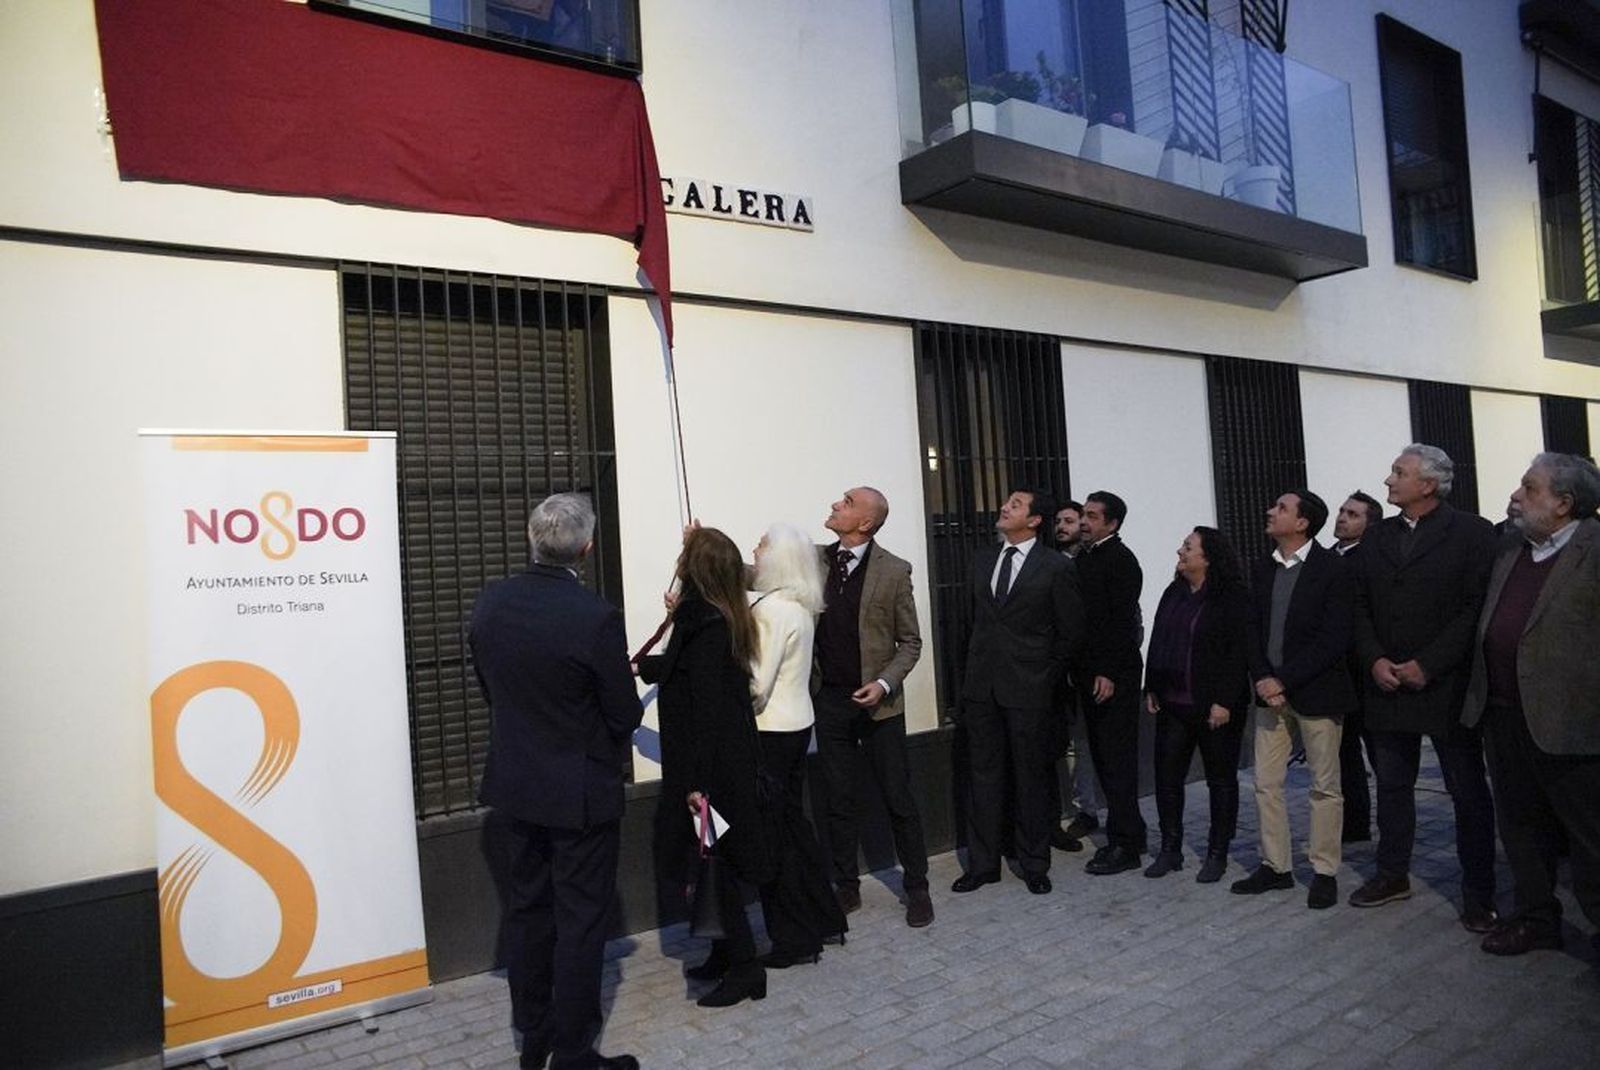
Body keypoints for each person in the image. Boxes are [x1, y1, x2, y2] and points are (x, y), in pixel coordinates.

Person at [470, 493, 642, 1070]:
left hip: (517, 782)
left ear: (531, 537)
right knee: (580, 919)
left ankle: (534, 1031)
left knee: (527, 910)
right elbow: (624, 713)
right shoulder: (594, 616)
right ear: (588, 548)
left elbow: (490, 684)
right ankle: (572, 1051)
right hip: (580, 791)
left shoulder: (492, 602)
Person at [1349, 445, 1498, 930]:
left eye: (1398, 473)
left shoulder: (1473, 534)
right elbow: (1360, 607)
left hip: (1445, 685)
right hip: (1387, 683)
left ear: (1428, 485)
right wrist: (1374, 659)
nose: (1388, 480)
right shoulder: (1377, 536)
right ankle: (1392, 875)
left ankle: (1479, 893)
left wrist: (1428, 664)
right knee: (1392, 786)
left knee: (1467, 791)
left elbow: (1475, 609)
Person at [1462, 454, 1600, 957]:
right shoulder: (1511, 549)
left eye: (1530, 488)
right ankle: (1537, 918)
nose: (1517, 496)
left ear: (1564, 503)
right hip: (1502, 714)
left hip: (1573, 723)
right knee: (1520, 827)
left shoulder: (1594, 550)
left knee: (1589, 837)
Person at [638, 527, 773, 1008]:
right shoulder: (715, 616)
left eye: (685, 556)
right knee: (710, 862)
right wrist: (644, 667)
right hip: (714, 763)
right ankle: (724, 953)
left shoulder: (708, 622)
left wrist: (697, 784)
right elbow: (684, 669)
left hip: (711, 769)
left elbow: (706, 707)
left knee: (720, 867)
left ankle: (745, 968)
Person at [953, 488, 1085, 895]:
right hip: (982, 687)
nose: (1004, 507)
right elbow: (968, 623)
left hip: (1030, 688)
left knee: (1030, 777)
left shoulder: (1054, 567)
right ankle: (983, 863)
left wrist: (1044, 677)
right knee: (983, 776)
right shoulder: (982, 559)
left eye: (1015, 505)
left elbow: (1071, 633)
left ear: (1034, 520)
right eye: (1006, 502)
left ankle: (1033, 862)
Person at [812, 486, 932, 928]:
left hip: (880, 707)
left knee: (898, 796)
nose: (834, 504)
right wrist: (709, 553)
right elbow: (757, 573)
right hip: (830, 701)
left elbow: (911, 642)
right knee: (838, 797)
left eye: (844, 502)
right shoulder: (815, 559)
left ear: (865, 522)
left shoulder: (894, 570)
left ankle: (917, 887)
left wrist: (884, 683)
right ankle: (847, 885)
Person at [1232, 491, 1356, 909]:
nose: (1270, 511)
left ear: (1303, 523)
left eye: (1281, 508)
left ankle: (1323, 870)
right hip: (1270, 695)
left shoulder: (1332, 569)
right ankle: (1276, 866)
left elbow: (1334, 638)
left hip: (1317, 692)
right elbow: (1250, 627)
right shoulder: (1264, 567)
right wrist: (1263, 677)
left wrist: (1282, 678)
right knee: (1266, 783)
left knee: (1325, 786)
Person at [747, 522, 846, 966]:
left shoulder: (771, 611)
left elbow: (757, 686)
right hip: (797, 725)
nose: (756, 549)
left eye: (763, 545)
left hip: (769, 730)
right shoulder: (799, 605)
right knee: (795, 829)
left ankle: (793, 937)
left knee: (775, 838)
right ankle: (823, 919)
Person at [1141, 526, 1251, 883]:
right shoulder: (1174, 591)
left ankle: (1217, 851)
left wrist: (1225, 700)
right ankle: (1170, 849)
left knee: (1220, 781)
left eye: (1188, 547)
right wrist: (1152, 686)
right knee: (1167, 778)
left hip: (1214, 707)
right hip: (1173, 702)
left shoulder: (1231, 596)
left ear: (1208, 556)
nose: (1180, 552)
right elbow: (1158, 637)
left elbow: (1238, 653)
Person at [1075, 491, 1148, 875]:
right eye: (1083, 515)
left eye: (1091, 516)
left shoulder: (1121, 560)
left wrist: (1107, 671)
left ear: (1112, 523)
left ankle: (1127, 844)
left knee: (1118, 762)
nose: (1083, 521)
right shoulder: (1088, 558)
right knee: (1104, 760)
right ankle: (1123, 834)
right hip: (1091, 674)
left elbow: (1121, 623)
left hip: (1113, 676)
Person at [1047, 500, 1102, 850]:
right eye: (1058, 521)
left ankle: (1088, 810)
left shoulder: (1091, 565)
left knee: (1083, 745)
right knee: (1059, 745)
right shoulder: (1046, 564)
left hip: (1085, 671)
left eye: (1069, 520)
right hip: (1053, 671)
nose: (1062, 527)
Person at [1332, 491, 1384, 843]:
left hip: (1366, 673)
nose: (1342, 517)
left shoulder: (1372, 560)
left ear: (1369, 524)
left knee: (1381, 752)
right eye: (1341, 511)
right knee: (1343, 751)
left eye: (1352, 514)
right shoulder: (1326, 558)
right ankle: (1354, 823)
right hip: (1336, 675)